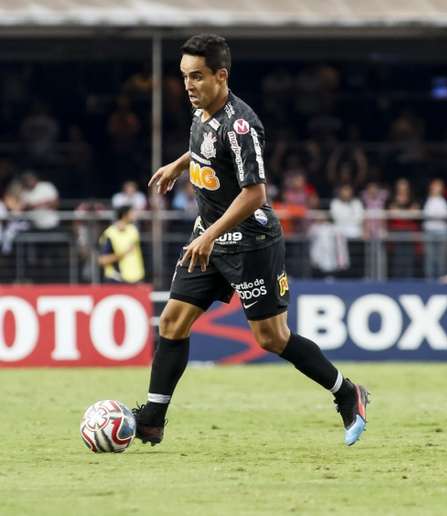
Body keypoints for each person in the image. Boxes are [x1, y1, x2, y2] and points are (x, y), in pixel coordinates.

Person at [135, 34, 369, 448]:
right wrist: (179, 162)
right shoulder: (201, 111)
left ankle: (347, 391)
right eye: (185, 76)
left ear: (221, 76)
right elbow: (208, 148)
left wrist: (209, 233)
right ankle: (153, 417)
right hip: (208, 239)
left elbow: (255, 192)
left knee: (271, 338)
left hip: (250, 244)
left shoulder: (241, 125)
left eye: (198, 77)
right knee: (172, 321)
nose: (188, 85)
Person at [98, 205, 145, 283]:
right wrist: (124, 253)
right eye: (132, 213)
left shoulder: (133, 230)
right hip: (117, 280)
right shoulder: (110, 234)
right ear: (124, 215)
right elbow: (103, 260)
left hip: (136, 279)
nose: (135, 215)